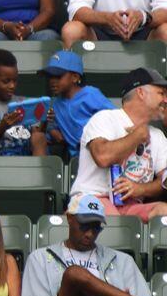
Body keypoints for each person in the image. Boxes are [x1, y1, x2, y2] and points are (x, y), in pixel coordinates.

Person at [23, 193, 165, 296]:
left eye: (96, 227)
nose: (90, 234)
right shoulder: (40, 258)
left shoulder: (123, 260)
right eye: (84, 225)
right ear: (70, 218)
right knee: (74, 274)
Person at [70, 68, 167, 219]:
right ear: (141, 93)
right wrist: (138, 135)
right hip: (93, 199)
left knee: (164, 212)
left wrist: (141, 189)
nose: (165, 100)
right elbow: (102, 157)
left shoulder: (157, 135)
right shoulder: (104, 118)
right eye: (161, 93)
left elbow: (164, 179)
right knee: (118, 224)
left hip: (132, 206)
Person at [0, 49, 49, 156]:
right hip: (0, 166)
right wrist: (2, 128)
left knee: (40, 137)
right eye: (6, 81)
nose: (12, 86)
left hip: (28, 164)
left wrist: (45, 120)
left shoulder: (24, 102)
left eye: (15, 80)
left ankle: (37, 171)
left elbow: (37, 137)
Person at [42, 50, 115, 158]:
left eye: (58, 76)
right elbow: (55, 133)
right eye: (50, 76)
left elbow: (114, 118)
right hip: (78, 159)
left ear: (75, 77)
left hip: (102, 150)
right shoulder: (55, 104)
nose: (53, 81)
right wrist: (52, 130)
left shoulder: (90, 94)